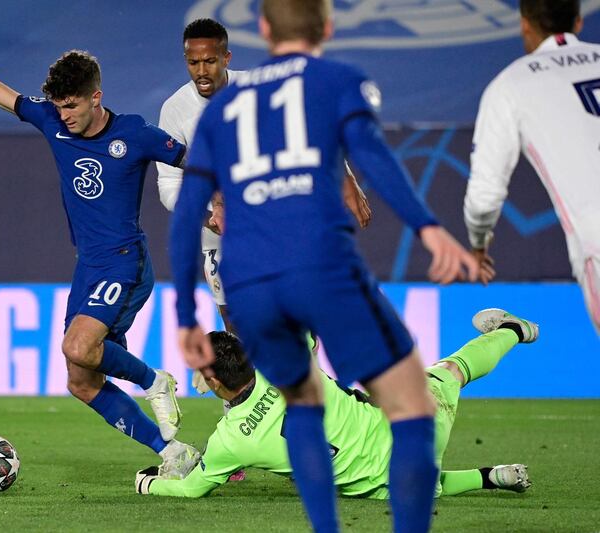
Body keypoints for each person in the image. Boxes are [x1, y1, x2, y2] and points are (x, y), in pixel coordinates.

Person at [168, 1, 479, 531]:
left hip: (252, 279)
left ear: (263, 30)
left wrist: (184, 315)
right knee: (410, 405)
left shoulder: (224, 108)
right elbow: (374, 156)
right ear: (329, 28)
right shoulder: (336, 81)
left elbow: (186, 215)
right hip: (318, 262)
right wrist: (426, 226)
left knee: (303, 402)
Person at [0, 15, 199, 477]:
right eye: (59, 106)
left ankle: (154, 380)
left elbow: (196, 160)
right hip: (89, 266)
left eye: (72, 106)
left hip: (125, 262)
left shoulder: (135, 134)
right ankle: (173, 454)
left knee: (78, 346)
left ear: (95, 97)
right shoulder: (51, 122)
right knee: (80, 381)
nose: (64, 115)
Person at [134, 308, 536, 499]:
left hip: (383, 485)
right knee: (452, 369)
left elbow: (190, 489)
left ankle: (488, 477)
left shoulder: (229, 443)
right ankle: (515, 331)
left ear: (212, 380)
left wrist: (149, 483)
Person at [157, 18, 372, 333]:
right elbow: (168, 184)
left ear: (226, 58)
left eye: (209, 61)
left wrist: (346, 179)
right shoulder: (174, 110)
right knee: (235, 322)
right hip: (220, 235)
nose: (201, 71)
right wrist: (209, 215)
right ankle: (252, 380)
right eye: (193, 63)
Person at [463, 0, 600, 335]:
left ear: (524, 24)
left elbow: (485, 195)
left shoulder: (510, 86)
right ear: (579, 22)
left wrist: (479, 243)